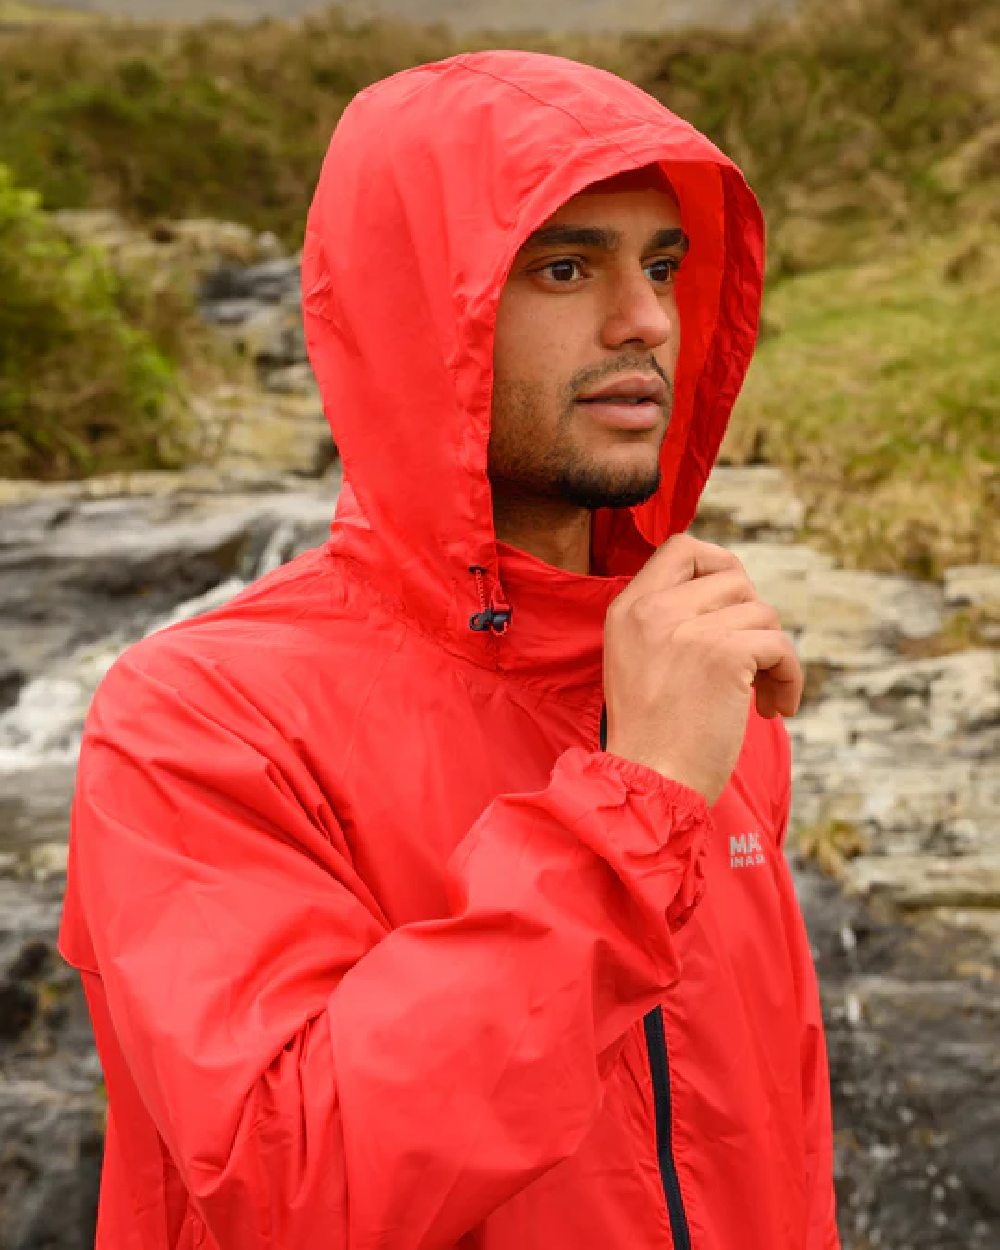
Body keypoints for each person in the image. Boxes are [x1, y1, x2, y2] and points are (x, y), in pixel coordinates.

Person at [59, 49, 840, 1250]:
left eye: (665, 266)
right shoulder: (198, 716)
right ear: (427, 308)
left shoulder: (690, 670)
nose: (642, 322)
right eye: (565, 266)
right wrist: (636, 805)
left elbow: (770, 1143)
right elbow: (296, 1186)